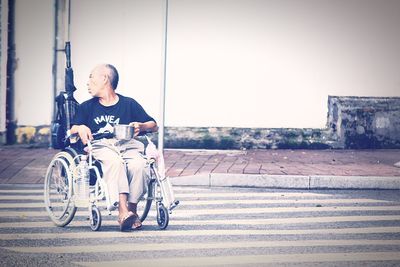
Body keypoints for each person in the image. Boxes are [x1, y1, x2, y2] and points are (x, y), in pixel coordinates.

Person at [70, 64, 158, 231]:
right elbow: (72, 130)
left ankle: (131, 209)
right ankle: (122, 210)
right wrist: (80, 128)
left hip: (128, 145)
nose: (87, 82)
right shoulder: (87, 107)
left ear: (104, 79)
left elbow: (154, 125)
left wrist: (141, 125)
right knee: (115, 162)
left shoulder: (128, 103)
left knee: (139, 165)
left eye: (90, 77)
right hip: (102, 146)